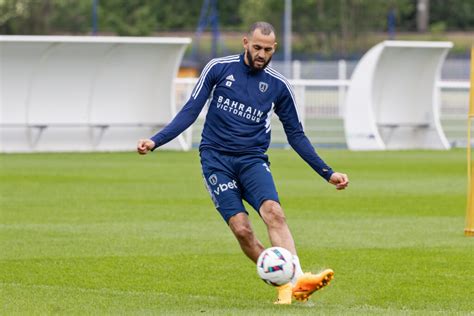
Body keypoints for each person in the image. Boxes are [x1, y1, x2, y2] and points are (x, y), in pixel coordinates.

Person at [137, 21, 349, 304]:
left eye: (268, 50)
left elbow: (296, 135)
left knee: (274, 213)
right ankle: (283, 281)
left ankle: (295, 282)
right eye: (258, 47)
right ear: (246, 42)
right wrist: (156, 140)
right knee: (242, 229)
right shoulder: (218, 68)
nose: (262, 54)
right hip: (216, 160)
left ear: (274, 49)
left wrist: (328, 173)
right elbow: (190, 111)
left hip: (252, 160)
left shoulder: (279, 86)